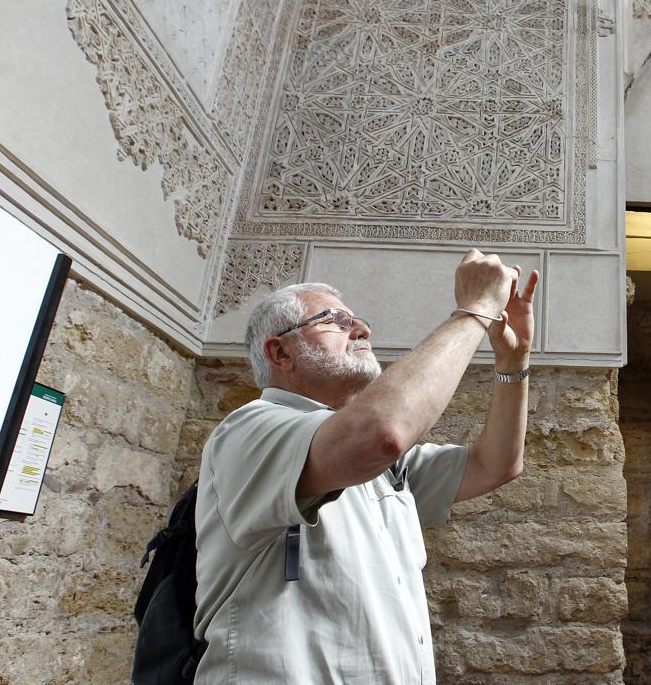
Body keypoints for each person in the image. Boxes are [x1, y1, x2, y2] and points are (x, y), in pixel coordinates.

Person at [192, 249, 538, 683]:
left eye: (356, 319)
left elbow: (495, 465)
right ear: (280, 352)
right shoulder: (250, 429)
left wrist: (513, 361)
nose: (361, 328)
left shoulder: (381, 464)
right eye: (335, 320)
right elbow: (384, 433)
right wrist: (475, 310)